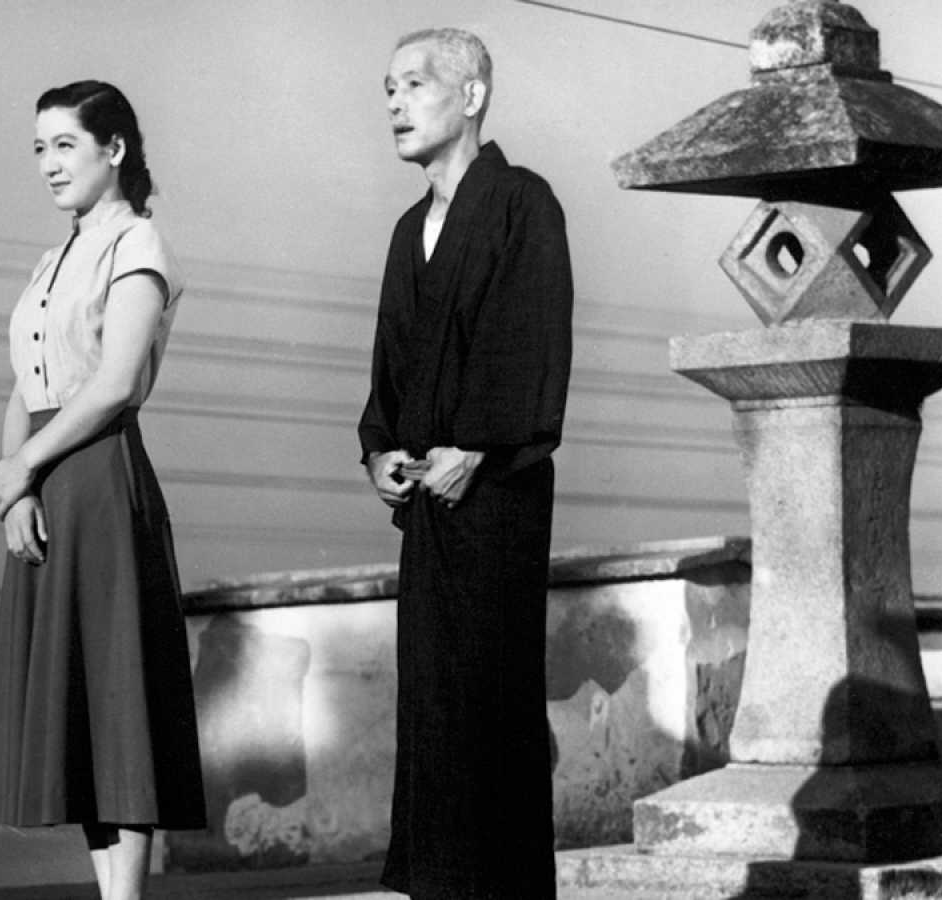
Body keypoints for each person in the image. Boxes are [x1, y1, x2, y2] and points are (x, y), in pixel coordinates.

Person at [0, 80, 205, 900]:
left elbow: (114, 386)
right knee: (76, 706)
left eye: (65, 144)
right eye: (39, 148)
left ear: (115, 148)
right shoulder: (51, 262)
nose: (48, 163)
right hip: (46, 482)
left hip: (101, 478)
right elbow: (24, 384)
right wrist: (17, 490)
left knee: (117, 702)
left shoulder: (138, 244)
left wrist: (25, 466)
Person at [357, 28, 573, 899]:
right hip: (428, 510)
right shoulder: (408, 230)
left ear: (472, 95)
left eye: (414, 84)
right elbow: (391, 365)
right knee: (433, 711)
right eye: (388, 89)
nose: (395, 104)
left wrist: (477, 446)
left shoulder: (523, 203)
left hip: (496, 501)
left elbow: (533, 340)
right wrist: (379, 450)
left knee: (490, 710)